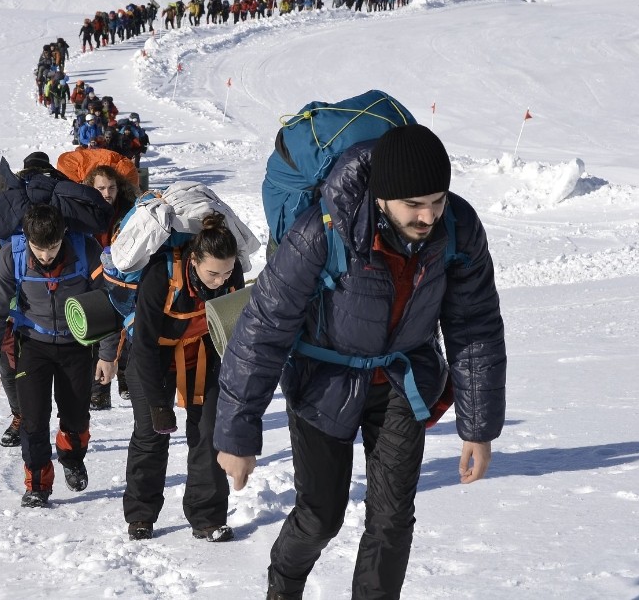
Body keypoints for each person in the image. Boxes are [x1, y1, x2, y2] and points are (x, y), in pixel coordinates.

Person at [214, 124, 507, 599]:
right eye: (414, 204)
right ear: (381, 198)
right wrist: (237, 433)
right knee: (320, 516)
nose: (428, 215)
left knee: (392, 519)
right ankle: (282, 589)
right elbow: (263, 329)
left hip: (402, 380)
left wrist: (478, 426)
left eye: (436, 199)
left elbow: (474, 326)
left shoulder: (459, 228)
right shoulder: (322, 230)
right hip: (322, 381)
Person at [0, 203, 118, 507]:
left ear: (63, 235)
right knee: (33, 419)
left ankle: (72, 458)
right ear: (26, 239)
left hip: (77, 344)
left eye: (52, 247)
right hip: (33, 344)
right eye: (38, 249)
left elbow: (107, 302)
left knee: (76, 415)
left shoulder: (86, 251)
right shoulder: (10, 258)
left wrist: (108, 354)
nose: (45, 255)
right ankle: (37, 484)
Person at [123, 212, 245, 543]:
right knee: (151, 433)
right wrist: (158, 404)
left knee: (208, 432)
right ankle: (141, 515)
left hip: (201, 354)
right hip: (154, 357)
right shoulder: (161, 277)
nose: (221, 280)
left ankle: (208, 518)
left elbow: (236, 335)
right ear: (194, 260)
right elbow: (144, 346)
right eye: (213, 273)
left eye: (227, 271)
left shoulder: (232, 279)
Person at [82, 165, 139, 409]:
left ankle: (124, 377)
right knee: (101, 330)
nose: (107, 192)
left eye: (112, 187)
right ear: (91, 188)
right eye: (101, 188)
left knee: (124, 329)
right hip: (94, 275)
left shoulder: (129, 209)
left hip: (123, 275)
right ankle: (99, 390)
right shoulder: (83, 210)